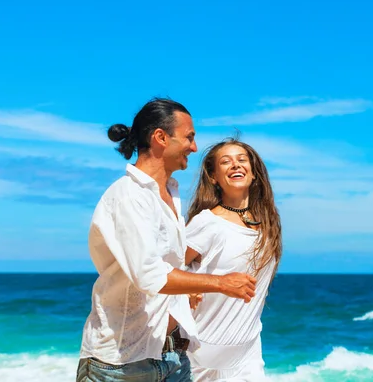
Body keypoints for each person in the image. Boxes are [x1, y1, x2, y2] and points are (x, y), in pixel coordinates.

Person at [76, 99, 257, 382]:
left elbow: (166, 269)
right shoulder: (129, 196)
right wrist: (220, 283)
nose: (194, 147)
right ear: (160, 137)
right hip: (121, 366)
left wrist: (186, 292)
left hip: (174, 358)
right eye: (189, 137)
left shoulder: (170, 195)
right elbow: (150, 275)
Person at [184, 138, 283, 381]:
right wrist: (187, 289)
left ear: (254, 173)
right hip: (202, 351)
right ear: (213, 176)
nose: (235, 166)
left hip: (246, 349)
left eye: (242, 160)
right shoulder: (207, 222)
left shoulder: (267, 225)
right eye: (225, 162)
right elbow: (166, 270)